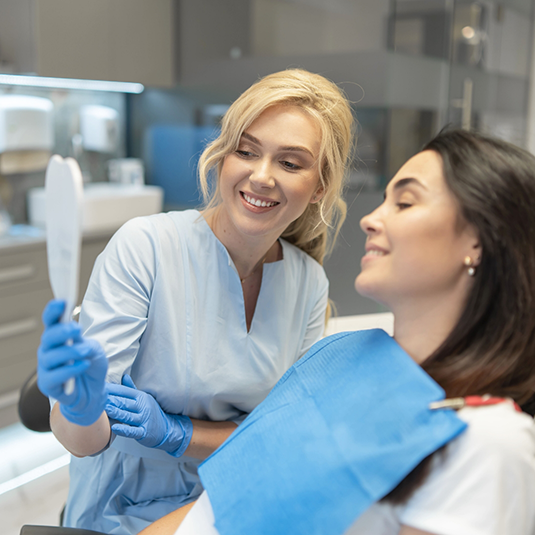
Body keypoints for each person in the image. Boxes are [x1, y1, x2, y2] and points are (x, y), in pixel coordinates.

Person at [142, 129, 535, 535]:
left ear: (478, 240)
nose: (370, 219)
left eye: (405, 202)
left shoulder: (488, 438)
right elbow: (212, 512)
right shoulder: (339, 357)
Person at [36, 68, 355, 534]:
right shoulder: (145, 247)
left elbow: (281, 438)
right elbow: (85, 441)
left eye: (290, 163)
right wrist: (79, 410)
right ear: (223, 157)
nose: (261, 176)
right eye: (246, 152)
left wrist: (176, 433)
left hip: (237, 499)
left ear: (320, 185)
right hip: (124, 507)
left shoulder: (308, 283)